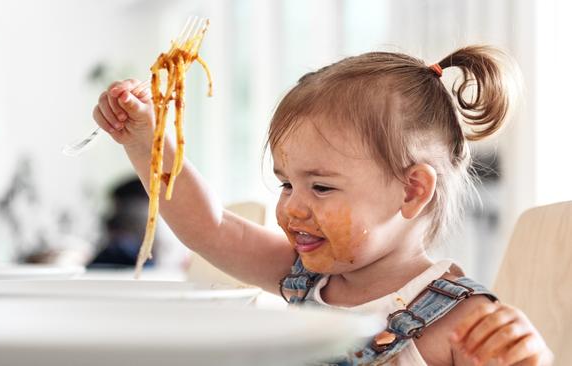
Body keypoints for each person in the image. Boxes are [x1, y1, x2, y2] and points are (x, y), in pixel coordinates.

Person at [92, 45, 553, 365]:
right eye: (286, 184)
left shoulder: (465, 320)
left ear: (412, 191)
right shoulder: (305, 277)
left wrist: (527, 358)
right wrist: (147, 141)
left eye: (322, 188)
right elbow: (210, 228)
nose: (292, 208)